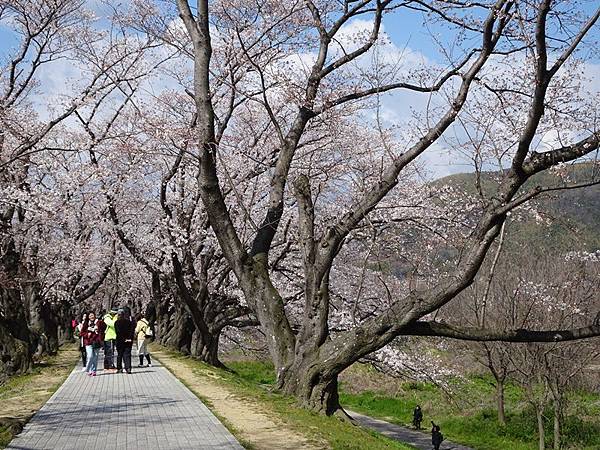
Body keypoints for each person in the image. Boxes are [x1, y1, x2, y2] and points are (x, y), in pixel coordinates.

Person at [82, 312, 103, 376]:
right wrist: (87, 334)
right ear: (88, 317)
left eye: (93, 315)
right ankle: (88, 369)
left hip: (96, 342)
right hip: (88, 342)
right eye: (90, 315)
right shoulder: (86, 324)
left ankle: (94, 371)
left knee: (95, 357)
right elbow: (81, 333)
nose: (92, 317)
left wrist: (100, 335)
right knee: (90, 356)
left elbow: (102, 329)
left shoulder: (98, 322)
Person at [115, 309, 135, 374]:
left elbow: (118, 332)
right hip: (128, 341)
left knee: (120, 355)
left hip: (120, 341)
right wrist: (129, 338)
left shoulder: (116, 322)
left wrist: (123, 339)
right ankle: (128, 368)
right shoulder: (129, 322)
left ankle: (119, 368)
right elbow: (132, 332)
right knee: (127, 354)